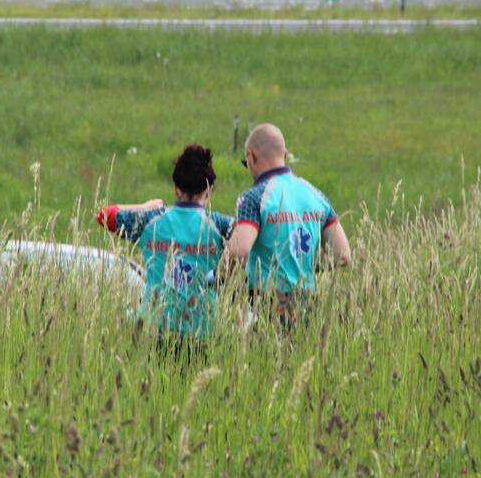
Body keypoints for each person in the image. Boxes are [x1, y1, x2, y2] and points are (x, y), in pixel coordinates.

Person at [97, 144, 234, 340]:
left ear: (176, 189)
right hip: (201, 330)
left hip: (153, 325)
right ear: (209, 190)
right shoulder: (218, 224)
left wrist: (143, 207)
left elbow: (104, 215)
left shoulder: (150, 220)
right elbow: (248, 237)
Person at [226, 123, 351, 324]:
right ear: (285, 154)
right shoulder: (316, 195)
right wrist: (303, 264)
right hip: (308, 307)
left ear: (251, 156)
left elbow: (239, 251)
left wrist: (218, 277)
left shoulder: (254, 198)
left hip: (266, 307)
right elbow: (343, 255)